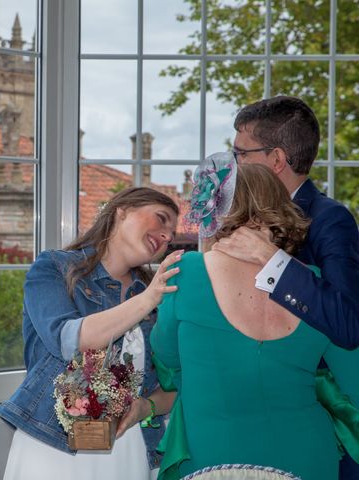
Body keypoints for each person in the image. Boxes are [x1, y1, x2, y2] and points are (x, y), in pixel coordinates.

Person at [150, 155, 359, 480]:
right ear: (279, 206)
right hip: (306, 461)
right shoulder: (314, 286)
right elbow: (353, 383)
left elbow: (166, 360)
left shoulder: (186, 272)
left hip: (214, 458)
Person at [0, 187, 184, 480]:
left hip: (128, 448)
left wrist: (145, 407)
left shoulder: (160, 295)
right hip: (52, 444)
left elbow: (178, 384)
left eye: (171, 235)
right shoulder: (54, 268)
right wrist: (148, 298)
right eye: (161, 219)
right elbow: (70, 341)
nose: (166, 237)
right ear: (121, 210)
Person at [216, 95, 359, 478]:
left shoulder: (330, 221)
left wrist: (272, 260)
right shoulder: (235, 217)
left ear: (276, 159)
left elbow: (348, 323)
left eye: (240, 153)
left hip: (320, 421)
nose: (234, 164)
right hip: (246, 414)